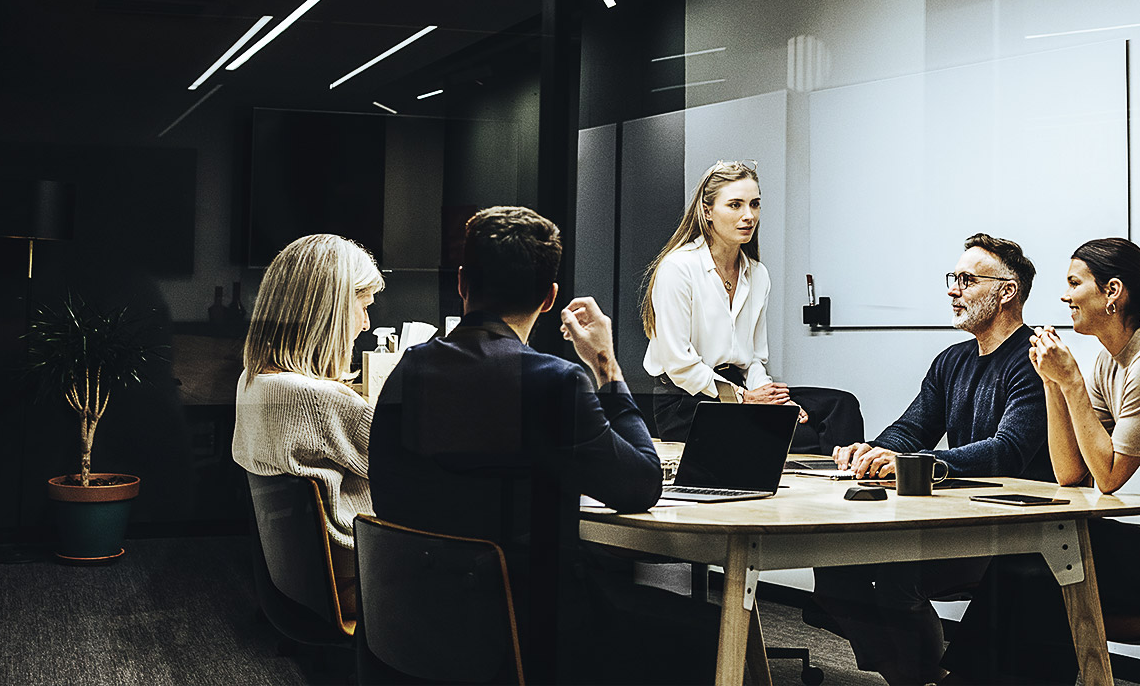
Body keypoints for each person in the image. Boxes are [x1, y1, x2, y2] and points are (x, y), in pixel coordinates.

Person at [370, 206, 717, 685]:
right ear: (551, 297)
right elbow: (640, 485)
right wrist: (606, 366)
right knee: (714, 632)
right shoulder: (552, 382)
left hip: (411, 621)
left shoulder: (407, 371)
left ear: (462, 282)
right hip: (527, 628)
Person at [941, 237, 1140, 684]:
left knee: (1050, 561)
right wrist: (1052, 383)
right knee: (1033, 561)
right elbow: (1072, 473)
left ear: (1112, 292)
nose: (1064, 295)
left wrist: (1070, 382)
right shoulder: (1111, 364)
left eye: (1074, 283)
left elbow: (1107, 479)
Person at [813, 233, 1054, 685]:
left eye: (966, 279)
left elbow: (1009, 451)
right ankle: (921, 678)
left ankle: (926, 677)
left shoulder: (1034, 359)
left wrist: (919, 463)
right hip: (953, 520)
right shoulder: (951, 361)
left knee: (899, 579)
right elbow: (911, 429)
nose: (952, 288)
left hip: (1008, 533)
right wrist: (874, 451)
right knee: (834, 570)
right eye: (953, 277)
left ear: (1006, 291)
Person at [644, 160, 858, 447]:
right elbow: (678, 365)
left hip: (741, 392)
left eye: (754, 204)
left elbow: (753, 359)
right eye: (735, 205)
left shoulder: (756, 273)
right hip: (687, 401)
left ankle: (850, 478)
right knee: (801, 436)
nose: (749, 216)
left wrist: (775, 401)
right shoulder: (678, 268)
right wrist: (745, 399)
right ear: (707, 211)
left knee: (841, 406)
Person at [232, 233, 384, 616]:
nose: (366, 324)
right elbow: (407, 464)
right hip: (361, 578)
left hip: (302, 580)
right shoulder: (318, 400)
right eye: (362, 307)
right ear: (328, 312)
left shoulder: (253, 379)